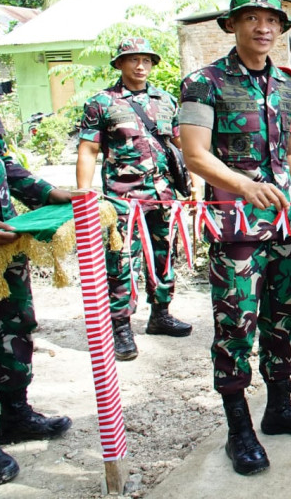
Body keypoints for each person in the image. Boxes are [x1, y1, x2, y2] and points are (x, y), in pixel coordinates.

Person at [179, 0, 291, 477]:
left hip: (284, 225)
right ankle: (238, 429)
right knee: (235, 328)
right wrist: (244, 185)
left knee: (283, 319)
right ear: (232, 25)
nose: (263, 27)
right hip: (236, 228)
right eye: (251, 19)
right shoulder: (205, 83)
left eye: (271, 20)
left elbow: (289, 151)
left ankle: (279, 408)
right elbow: (194, 154)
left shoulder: (288, 84)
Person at [77, 37, 193, 361]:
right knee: (122, 262)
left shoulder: (167, 100)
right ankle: (121, 327)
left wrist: (194, 181)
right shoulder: (102, 102)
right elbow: (88, 149)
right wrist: (84, 196)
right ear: (119, 64)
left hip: (162, 194)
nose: (140, 66)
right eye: (132, 59)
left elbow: (181, 144)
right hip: (122, 199)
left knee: (163, 255)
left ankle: (161, 314)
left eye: (146, 60)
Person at [0, 101, 72, 485]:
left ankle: (16, 415)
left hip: (1, 249)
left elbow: (5, 164)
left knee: (14, 326)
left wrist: (49, 193)